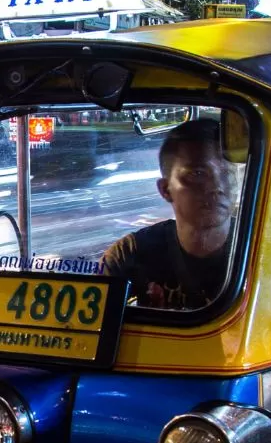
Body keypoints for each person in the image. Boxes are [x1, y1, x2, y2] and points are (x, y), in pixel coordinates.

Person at [99, 119, 240, 311]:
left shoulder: (260, 252)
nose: (217, 186)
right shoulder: (128, 256)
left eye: (228, 173)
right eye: (198, 174)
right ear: (166, 189)